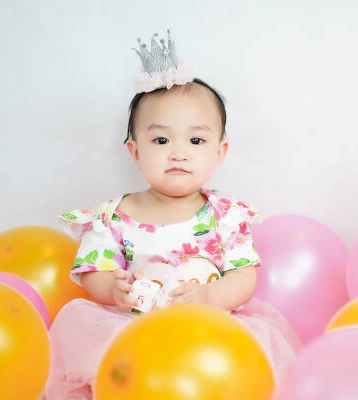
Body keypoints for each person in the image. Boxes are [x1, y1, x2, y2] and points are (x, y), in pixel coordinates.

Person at [44, 30, 300, 399]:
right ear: (134, 152)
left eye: (196, 140)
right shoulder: (113, 217)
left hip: (208, 332)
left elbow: (244, 274)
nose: (178, 153)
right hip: (134, 332)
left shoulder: (224, 216)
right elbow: (93, 271)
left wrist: (210, 298)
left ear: (219, 151)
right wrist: (114, 292)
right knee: (115, 370)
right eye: (161, 140)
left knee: (232, 375)